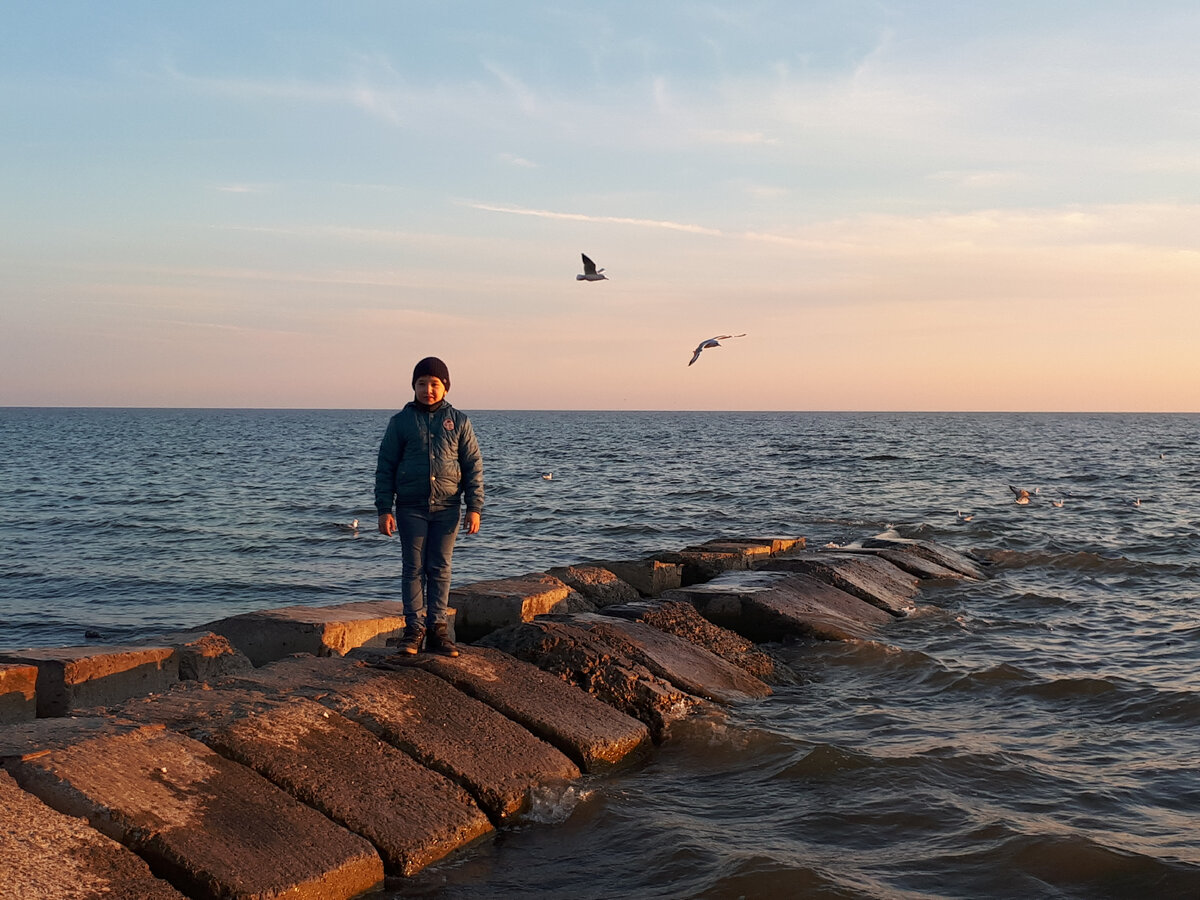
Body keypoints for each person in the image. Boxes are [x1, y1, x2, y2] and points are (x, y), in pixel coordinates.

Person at [374, 357, 484, 656]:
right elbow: (385, 466)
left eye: (434, 384)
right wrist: (384, 508)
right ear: (414, 386)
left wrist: (474, 506)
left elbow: (473, 465)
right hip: (410, 507)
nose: (428, 390)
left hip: (448, 507)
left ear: (445, 387)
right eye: (422, 384)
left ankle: (438, 629)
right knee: (413, 568)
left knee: (440, 567)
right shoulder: (401, 422)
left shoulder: (459, 421)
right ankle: (414, 630)